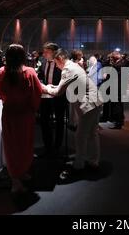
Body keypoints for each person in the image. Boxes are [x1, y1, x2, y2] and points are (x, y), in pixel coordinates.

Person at [44, 49, 103, 181]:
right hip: (96, 100)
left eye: (55, 62)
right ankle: (94, 161)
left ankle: (79, 165)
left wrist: (44, 88)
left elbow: (58, 92)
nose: (56, 65)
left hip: (89, 104)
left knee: (80, 135)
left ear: (59, 59)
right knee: (92, 133)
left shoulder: (67, 69)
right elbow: (63, 85)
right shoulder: (73, 65)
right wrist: (52, 86)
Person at [0, 44, 44, 193]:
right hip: (25, 114)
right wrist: (33, 108)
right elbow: (37, 92)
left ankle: (17, 175)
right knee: (25, 144)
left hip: (9, 112)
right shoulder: (29, 72)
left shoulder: (2, 72)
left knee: (11, 145)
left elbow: (1, 92)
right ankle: (18, 177)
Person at [38, 42, 67, 158]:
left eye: (46, 51)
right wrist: (41, 83)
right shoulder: (43, 62)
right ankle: (47, 146)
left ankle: (57, 147)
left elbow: (65, 79)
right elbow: (40, 74)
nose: (44, 54)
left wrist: (57, 89)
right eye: (44, 51)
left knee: (60, 121)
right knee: (44, 121)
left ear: (54, 52)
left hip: (59, 96)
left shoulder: (62, 62)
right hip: (45, 96)